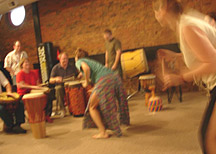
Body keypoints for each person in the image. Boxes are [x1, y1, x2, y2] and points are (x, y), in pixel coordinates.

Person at [153, 0, 216, 153]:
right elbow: (203, 51)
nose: (155, 15)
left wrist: (182, 78)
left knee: (209, 139)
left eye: (155, 10)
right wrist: (177, 56)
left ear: (163, 8)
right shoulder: (187, 21)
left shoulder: (186, 26)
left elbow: (213, 62)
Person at [75, 48, 130, 139]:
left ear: (77, 57)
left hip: (105, 80)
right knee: (111, 103)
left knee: (92, 107)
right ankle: (120, 122)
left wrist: (86, 82)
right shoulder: (91, 61)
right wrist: (94, 88)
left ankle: (103, 132)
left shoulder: (79, 61)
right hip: (114, 77)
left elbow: (86, 68)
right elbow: (98, 74)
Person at [16, 58, 53, 123]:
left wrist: (41, 86)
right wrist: (33, 87)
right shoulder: (20, 74)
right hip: (24, 94)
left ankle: (46, 115)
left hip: (33, 91)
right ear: (22, 65)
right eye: (25, 62)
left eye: (28, 62)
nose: (27, 64)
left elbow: (37, 84)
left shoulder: (33, 73)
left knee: (48, 96)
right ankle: (33, 117)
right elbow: (20, 85)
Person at [49, 52, 78, 117]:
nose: (65, 60)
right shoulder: (56, 68)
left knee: (77, 88)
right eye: (63, 59)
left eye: (66, 59)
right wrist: (56, 79)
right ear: (60, 60)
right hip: (61, 85)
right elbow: (50, 80)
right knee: (58, 89)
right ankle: (62, 109)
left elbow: (77, 76)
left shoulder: (72, 67)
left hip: (70, 85)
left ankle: (75, 108)